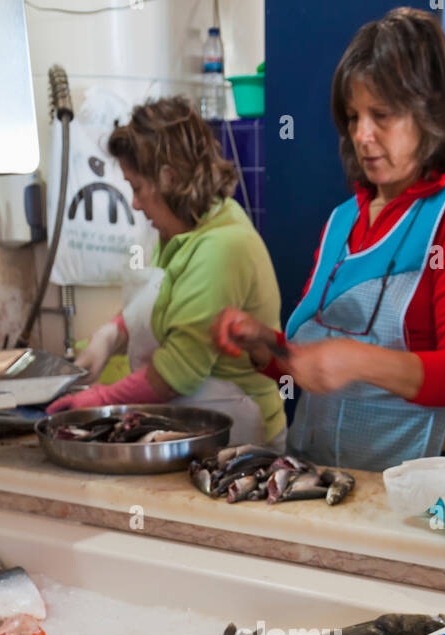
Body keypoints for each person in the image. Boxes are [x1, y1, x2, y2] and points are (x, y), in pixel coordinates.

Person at [211, 7, 445, 471]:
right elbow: (317, 363)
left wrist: (357, 360)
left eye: (382, 115)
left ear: (429, 112)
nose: (362, 134)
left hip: (417, 485)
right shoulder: (342, 221)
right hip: (326, 476)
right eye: (353, 117)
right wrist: (266, 347)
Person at [48, 97, 286, 446]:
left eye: (137, 187)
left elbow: (179, 373)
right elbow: (154, 303)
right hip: (188, 428)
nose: (135, 203)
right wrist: (108, 337)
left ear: (169, 178)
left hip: (239, 436)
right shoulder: (177, 228)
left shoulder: (221, 248)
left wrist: (100, 400)